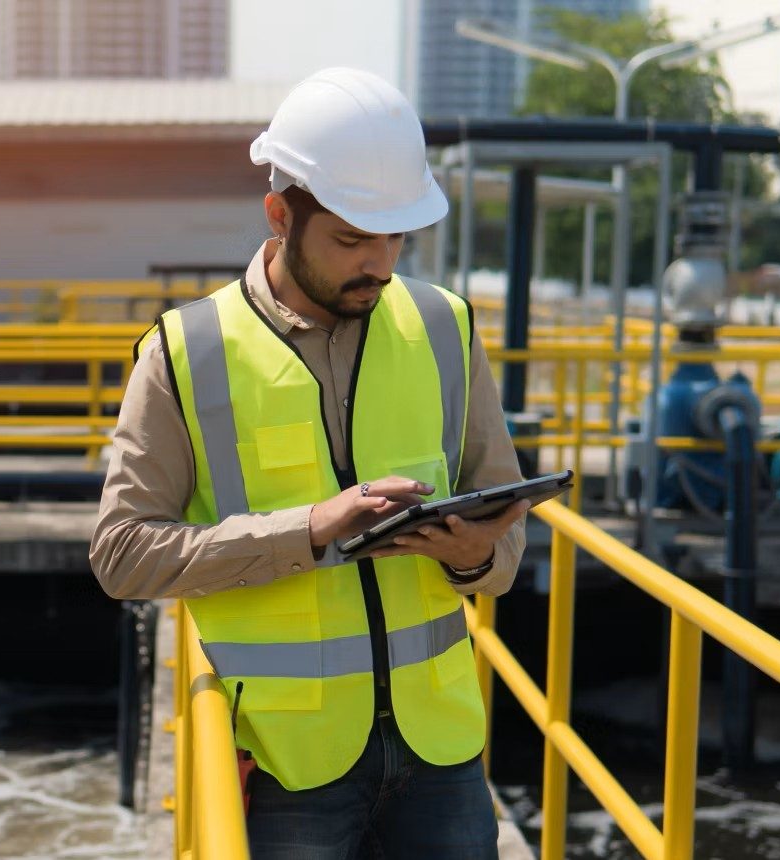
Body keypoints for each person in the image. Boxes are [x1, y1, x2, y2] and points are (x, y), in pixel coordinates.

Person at [89, 67, 529, 859]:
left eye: (395, 237)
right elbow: (122, 556)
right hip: (288, 763)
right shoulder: (186, 354)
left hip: (441, 750)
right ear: (279, 215)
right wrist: (310, 529)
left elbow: (502, 524)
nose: (379, 264)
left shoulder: (445, 326)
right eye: (352, 240)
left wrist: (475, 556)